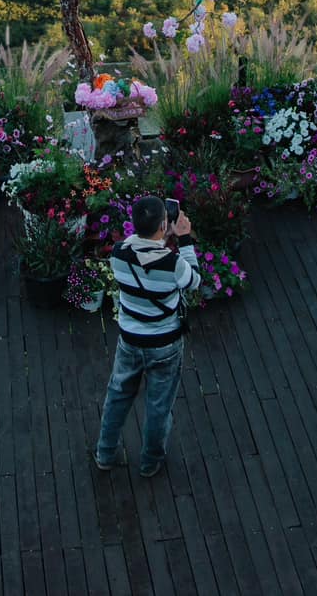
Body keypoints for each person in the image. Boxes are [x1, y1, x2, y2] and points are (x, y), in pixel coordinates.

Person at [94, 195, 199, 478]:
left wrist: (160, 232)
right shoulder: (172, 263)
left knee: (117, 396)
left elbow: (138, 247)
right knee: (158, 405)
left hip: (129, 340)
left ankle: (105, 453)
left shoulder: (118, 253)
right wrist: (184, 239)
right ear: (164, 224)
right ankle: (150, 461)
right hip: (164, 344)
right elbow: (194, 280)